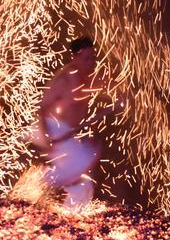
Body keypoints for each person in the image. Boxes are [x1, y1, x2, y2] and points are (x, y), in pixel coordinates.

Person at [35, 37, 117, 212]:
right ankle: (35, 188)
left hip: (66, 133)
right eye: (86, 58)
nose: (91, 62)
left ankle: (72, 215)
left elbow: (105, 83)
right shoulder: (64, 80)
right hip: (53, 129)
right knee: (83, 159)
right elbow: (42, 109)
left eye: (93, 58)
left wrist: (123, 92)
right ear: (75, 57)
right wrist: (47, 136)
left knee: (84, 182)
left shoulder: (85, 77)